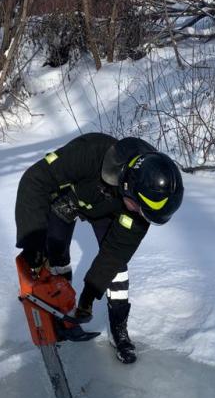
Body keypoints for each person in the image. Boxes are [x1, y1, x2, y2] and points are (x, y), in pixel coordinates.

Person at [15, 133, 184, 363]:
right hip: (69, 199)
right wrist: (32, 243)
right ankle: (60, 314)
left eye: (145, 214)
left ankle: (118, 329)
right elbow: (34, 180)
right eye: (138, 208)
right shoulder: (90, 152)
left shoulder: (142, 203)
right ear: (128, 185)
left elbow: (113, 255)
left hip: (110, 209)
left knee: (117, 270)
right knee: (54, 258)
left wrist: (89, 296)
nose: (139, 215)